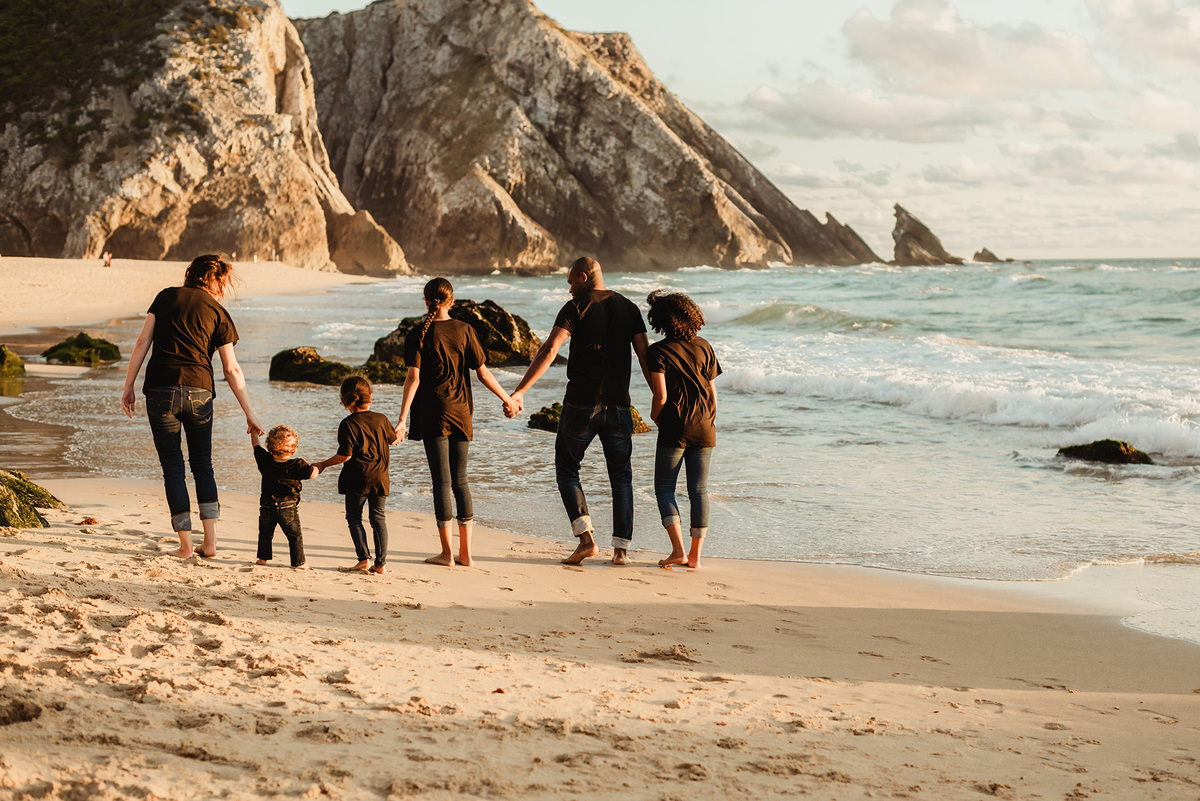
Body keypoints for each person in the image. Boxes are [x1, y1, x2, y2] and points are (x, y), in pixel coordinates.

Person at [508, 257, 650, 565]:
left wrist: (520, 390)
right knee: (622, 476)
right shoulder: (629, 308)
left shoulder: (576, 306)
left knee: (567, 469)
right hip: (619, 405)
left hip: (580, 404)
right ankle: (621, 551)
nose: (570, 288)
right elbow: (645, 355)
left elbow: (550, 348)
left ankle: (586, 540)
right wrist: (659, 398)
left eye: (571, 281)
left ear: (583, 277)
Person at [121, 253, 264, 559]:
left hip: (160, 389)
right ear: (212, 279)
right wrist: (249, 413)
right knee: (203, 465)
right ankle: (209, 543)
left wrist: (129, 385)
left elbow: (142, 343)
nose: (223, 288)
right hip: (199, 391)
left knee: (172, 467)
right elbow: (231, 369)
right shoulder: (219, 312)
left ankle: (186, 546)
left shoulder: (165, 297)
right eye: (222, 281)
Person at [396, 279, 516, 567]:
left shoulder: (417, 333)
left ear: (425, 301)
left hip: (433, 413)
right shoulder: (465, 330)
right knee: (461, 482)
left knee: (441, 483)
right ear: (452, 301)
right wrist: (508, 399)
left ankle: (447, 554)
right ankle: (466, 554)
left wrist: (401, 419)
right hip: (461, 412)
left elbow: (414, 378)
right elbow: (483, 373)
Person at [645, 291, 721, 568]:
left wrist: (655, 417)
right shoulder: (704, 346)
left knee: (665, 489)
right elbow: (712, 391)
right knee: (698, 490)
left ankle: (677, 550)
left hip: (675, 425)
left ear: (661, 320)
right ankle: (695, 557)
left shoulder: (658, 351)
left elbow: (661, 396)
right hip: (704, 425)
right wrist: (711, 420)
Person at [316, 375, 396, 574]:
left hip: (357, 478)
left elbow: (345, 455)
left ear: (345, 400)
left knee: (354, 517)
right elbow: (393, 440)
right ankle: (380, 564)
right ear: (370, 396)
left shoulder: (348, 424)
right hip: (380, 477)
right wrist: (400, 431)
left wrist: (323, 464)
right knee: (378, 520)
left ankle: (363, 559)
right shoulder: (382, 419)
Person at [251, 425, 321, 569]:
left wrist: (253, 429)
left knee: (265, 533)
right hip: (288, 506)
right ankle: (299, 562)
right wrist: (318, 467)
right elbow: (312, 474)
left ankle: (263, 559)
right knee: (294, 535)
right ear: (294, 449)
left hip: (266, 505)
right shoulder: (297, 465)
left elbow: (255, 444)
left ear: (269, 448)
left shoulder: (264, 460)